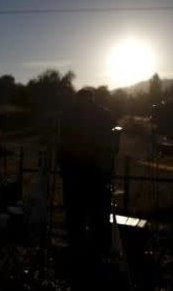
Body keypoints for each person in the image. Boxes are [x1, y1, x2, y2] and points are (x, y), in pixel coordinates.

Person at [58, 88, 119, 290]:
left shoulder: (69, 115)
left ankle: (78, 257)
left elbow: (62, 144)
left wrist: (64, 169)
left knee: (76, 218)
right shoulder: (106, 114)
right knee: (98, 218)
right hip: (97, 176)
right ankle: (97, 259)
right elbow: (113, 145)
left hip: (76, 176)